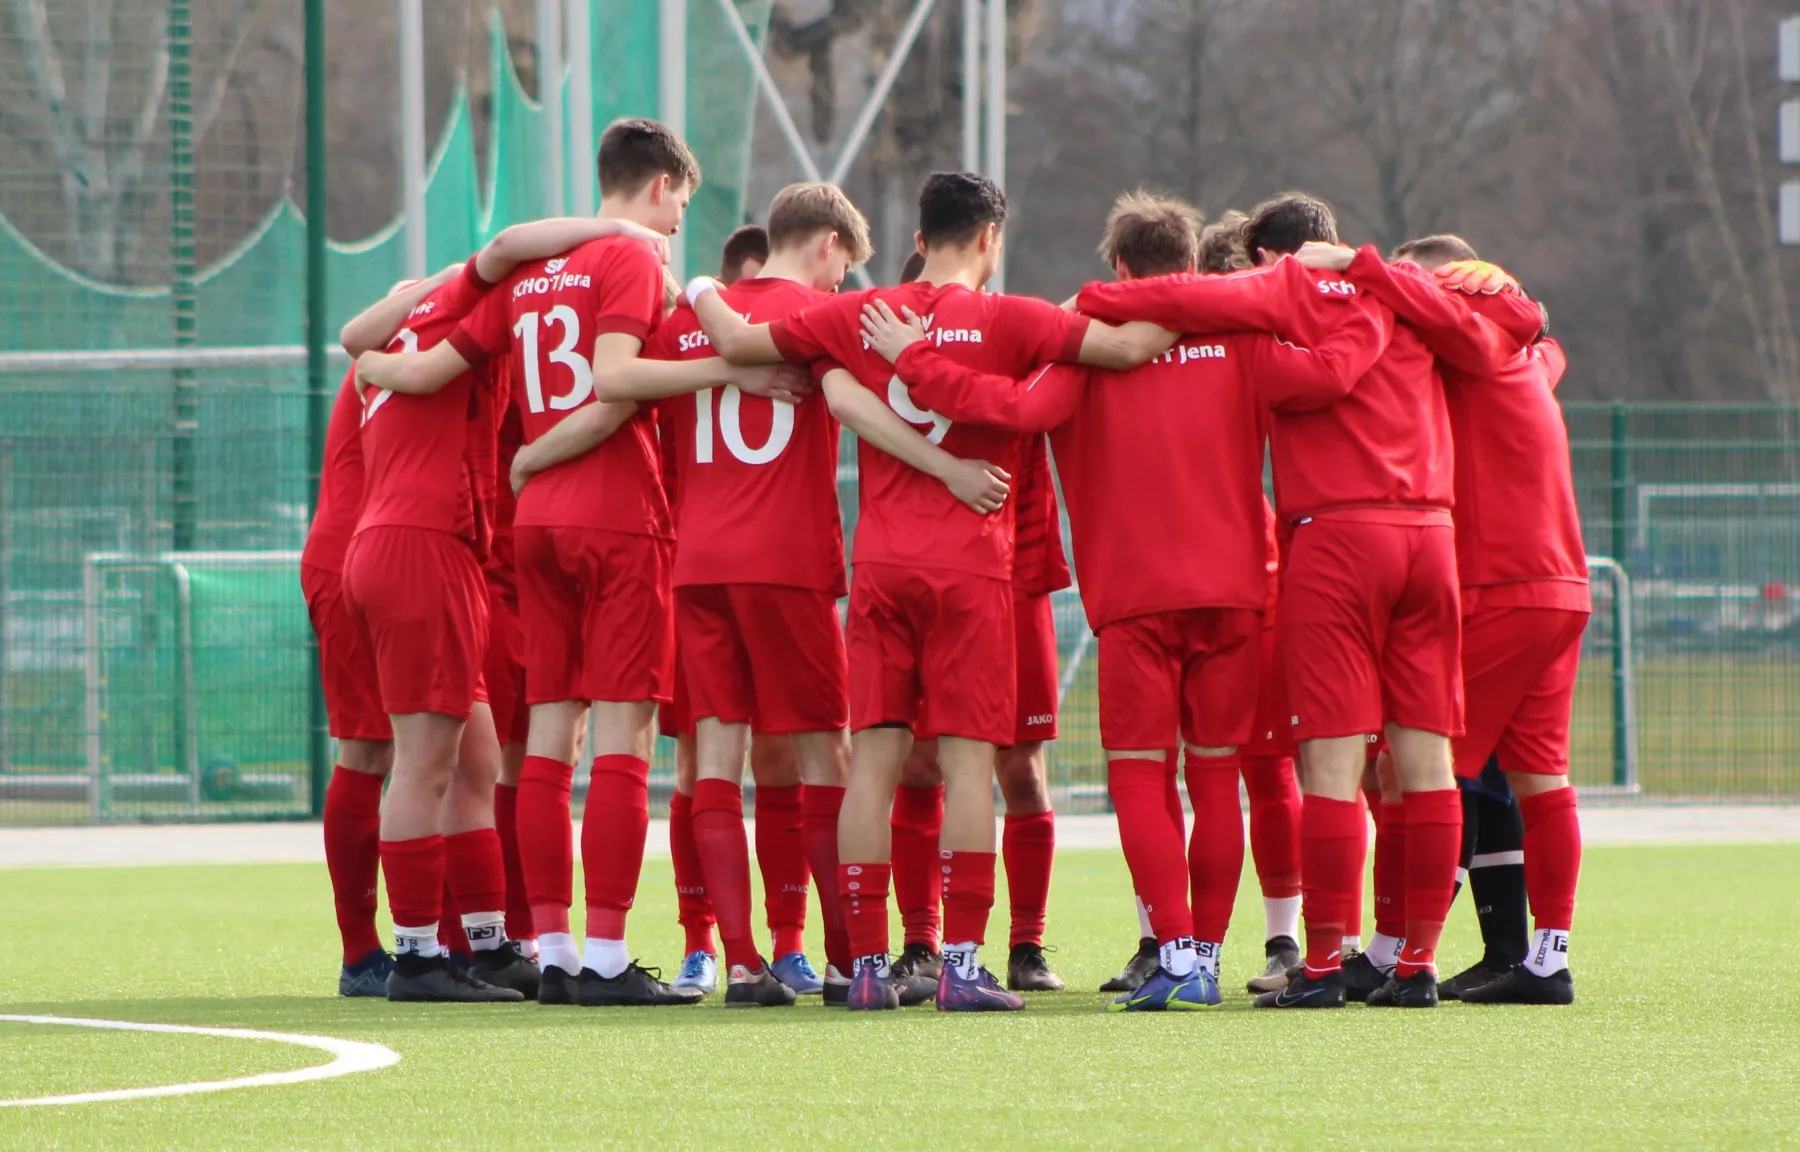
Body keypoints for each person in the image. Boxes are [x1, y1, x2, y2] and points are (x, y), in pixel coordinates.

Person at [857, 189, 1390, 1010]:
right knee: (1217, 779)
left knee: (1142, 778)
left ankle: (1173, 950)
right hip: (1234, 591)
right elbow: (1332, 372)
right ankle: (1207, 957)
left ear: (1116, 264)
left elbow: (1008, 409)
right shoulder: (1238, 339)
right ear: (1194, 264)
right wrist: (1376, 301)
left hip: (1133, 598)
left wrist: (916, 361)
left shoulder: (1084, 350)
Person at [685, 171, 1173, 1011]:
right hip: (970, 567)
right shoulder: (1016, 320)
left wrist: (696, 283)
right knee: (968, 764)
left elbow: (733, 338)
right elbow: (1131, 349)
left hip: (880, 568)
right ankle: (964, 966)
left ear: (918, 240)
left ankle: (867, 968)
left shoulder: (857, 314)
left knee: (874, 762)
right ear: (991, 238)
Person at [355, 118, 775, 1008]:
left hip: (535, 527)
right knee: (622, 737)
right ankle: (607, 959)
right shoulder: (631, 258)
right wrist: (728, 372)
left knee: (547, 741)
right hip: (616, 516)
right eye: (679, 207)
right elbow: (616, 382)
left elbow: (429, 364)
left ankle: (552, 950)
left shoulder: (530, 276)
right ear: (659, 187)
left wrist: (380, 373)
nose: (676, 226)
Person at [1074, 191, 1505, 1008]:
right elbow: (1498, 341)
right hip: (1431, 536)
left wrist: (1089, 300)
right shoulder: (1405, 294)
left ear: (1269, 259)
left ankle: (1324, 963)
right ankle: (1415, 963)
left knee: (1329, 768)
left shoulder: (1280, 296)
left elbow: (1186, 301)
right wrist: (1372, 270)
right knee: (1424, 765)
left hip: (1338, 538)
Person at [1306, 234, 1584, 1005]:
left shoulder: (1468, 354)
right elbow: (1546, 342)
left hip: (1500, 585)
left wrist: (1363, 267)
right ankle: (1548, 958)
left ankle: (1396, 953)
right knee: (1540, 780)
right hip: (1561, 584)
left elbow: (1444, 316)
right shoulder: (1525, 358)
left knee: (1414, 771)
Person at [304, 270, 462, 997]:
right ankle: (365, 951)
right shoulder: (404, 355)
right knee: (373, 747)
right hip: (361, 553)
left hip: (369, 551)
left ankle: (440, 938)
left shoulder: (391, 350)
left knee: (425, 747)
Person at [887, 431, 1069, 995]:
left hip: (1017, 571)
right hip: (928, 572)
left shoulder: (1012, 377)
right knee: (919, 764)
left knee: (1021, 771)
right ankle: (922, 943)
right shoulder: (900, 373)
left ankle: (1026, 945)